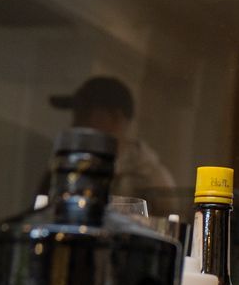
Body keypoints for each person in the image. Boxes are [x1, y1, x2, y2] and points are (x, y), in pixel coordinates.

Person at [47, 75, 177, 212]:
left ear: (116, 117)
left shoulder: (149, 176)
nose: (75, 124)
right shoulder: (67, 164)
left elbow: (168, 218)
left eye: (85, 115)